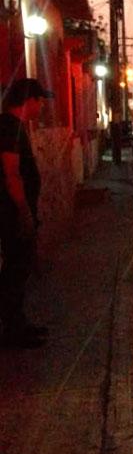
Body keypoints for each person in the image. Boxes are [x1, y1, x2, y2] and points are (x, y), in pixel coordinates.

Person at [0, 78, 53, 348]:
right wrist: (24, 211)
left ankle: (18, 324)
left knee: (19, 270)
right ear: (29, 100)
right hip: (11, 212)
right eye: (40, 101)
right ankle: (12, 330)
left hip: (14, 210)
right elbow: (11, 173)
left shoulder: (15, 127)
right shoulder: (9, 127)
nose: (41, 106)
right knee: (16, 269)